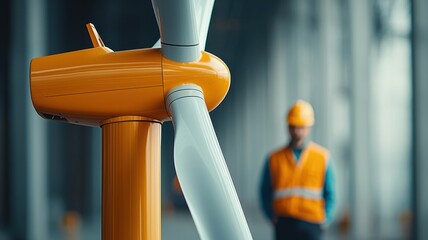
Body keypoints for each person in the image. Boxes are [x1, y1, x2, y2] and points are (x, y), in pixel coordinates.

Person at [260, 100, 335, 240]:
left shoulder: (322, 157)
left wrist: (326, 219)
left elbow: (330, 193)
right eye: (293, 126)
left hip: (312, 224)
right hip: (284, 223)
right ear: (288, 127)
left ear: (309, 127)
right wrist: (271, 216)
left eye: (301, 127)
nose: (296, 131)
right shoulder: (274, 158)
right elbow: (264, 191)